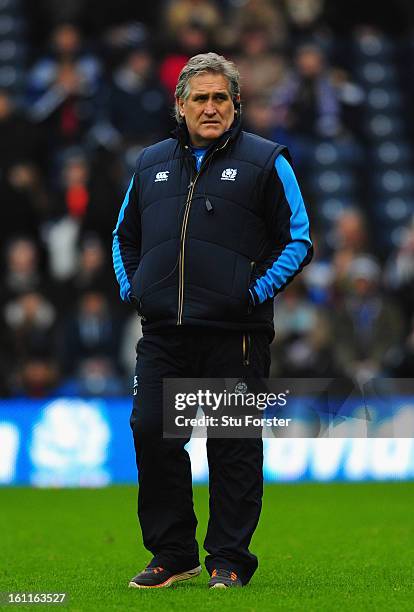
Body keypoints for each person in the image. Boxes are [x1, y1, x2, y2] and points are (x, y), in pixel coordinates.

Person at [112, 52, 312, 589]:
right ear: (180, 105)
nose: (210, 107)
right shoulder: (149, 163)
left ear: (236, 103)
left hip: (234, 334)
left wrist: (251, 294)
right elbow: (122, 236)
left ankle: (228, 558)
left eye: (220, 97)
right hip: (163, 334)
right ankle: (173, 555)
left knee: (232, 448)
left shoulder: (267, 160)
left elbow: (298, 238)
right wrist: (135, 288)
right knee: (150, 431)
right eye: (199, 98)